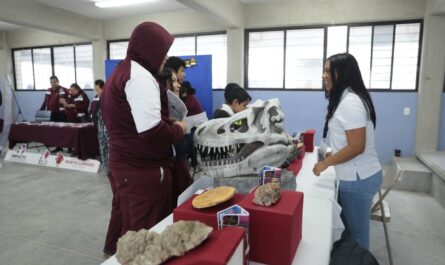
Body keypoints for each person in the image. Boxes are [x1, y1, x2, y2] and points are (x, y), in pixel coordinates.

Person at [101, 21, 187, 256]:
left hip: (126, 165)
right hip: (143, 170)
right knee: (145, 234)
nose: (165, 58)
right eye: (164, 52)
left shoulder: (122, 71)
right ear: (151, 48)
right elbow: (152, 132)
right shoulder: (140, 78)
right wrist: (179, 128)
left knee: (128, 222)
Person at [312, 53, 382, 249]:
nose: (323, 75)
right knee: (349, 230)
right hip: (356, 177)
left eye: (327, 70)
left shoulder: (350, 102)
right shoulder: (346, 98)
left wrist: (326, 163)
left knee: (357, 234)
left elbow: (357, 146)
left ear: (342, 73)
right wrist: (332, 153)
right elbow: (348, 140)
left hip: (358, 179)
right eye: (324, 70)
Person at [158, 67, 193, 210]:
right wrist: (180, 130)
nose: (178, 85)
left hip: (181, 166)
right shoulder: (159, 117)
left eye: (177, 81)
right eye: (173, 81)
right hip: (172, 169)